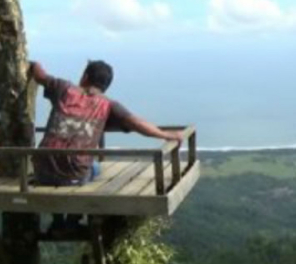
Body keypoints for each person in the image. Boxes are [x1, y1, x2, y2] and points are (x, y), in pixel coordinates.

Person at [29, 60, 183, 228]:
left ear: (85, 77)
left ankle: (57, 221)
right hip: (74, 176)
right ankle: (72, 220)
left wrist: (34, 63)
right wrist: (165, 134)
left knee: (60, 163)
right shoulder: (108, 105)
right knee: (94, 167)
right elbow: (136, 123)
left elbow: (40, 75)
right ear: (106, 85)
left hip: (41, 170)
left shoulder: (63, 88)